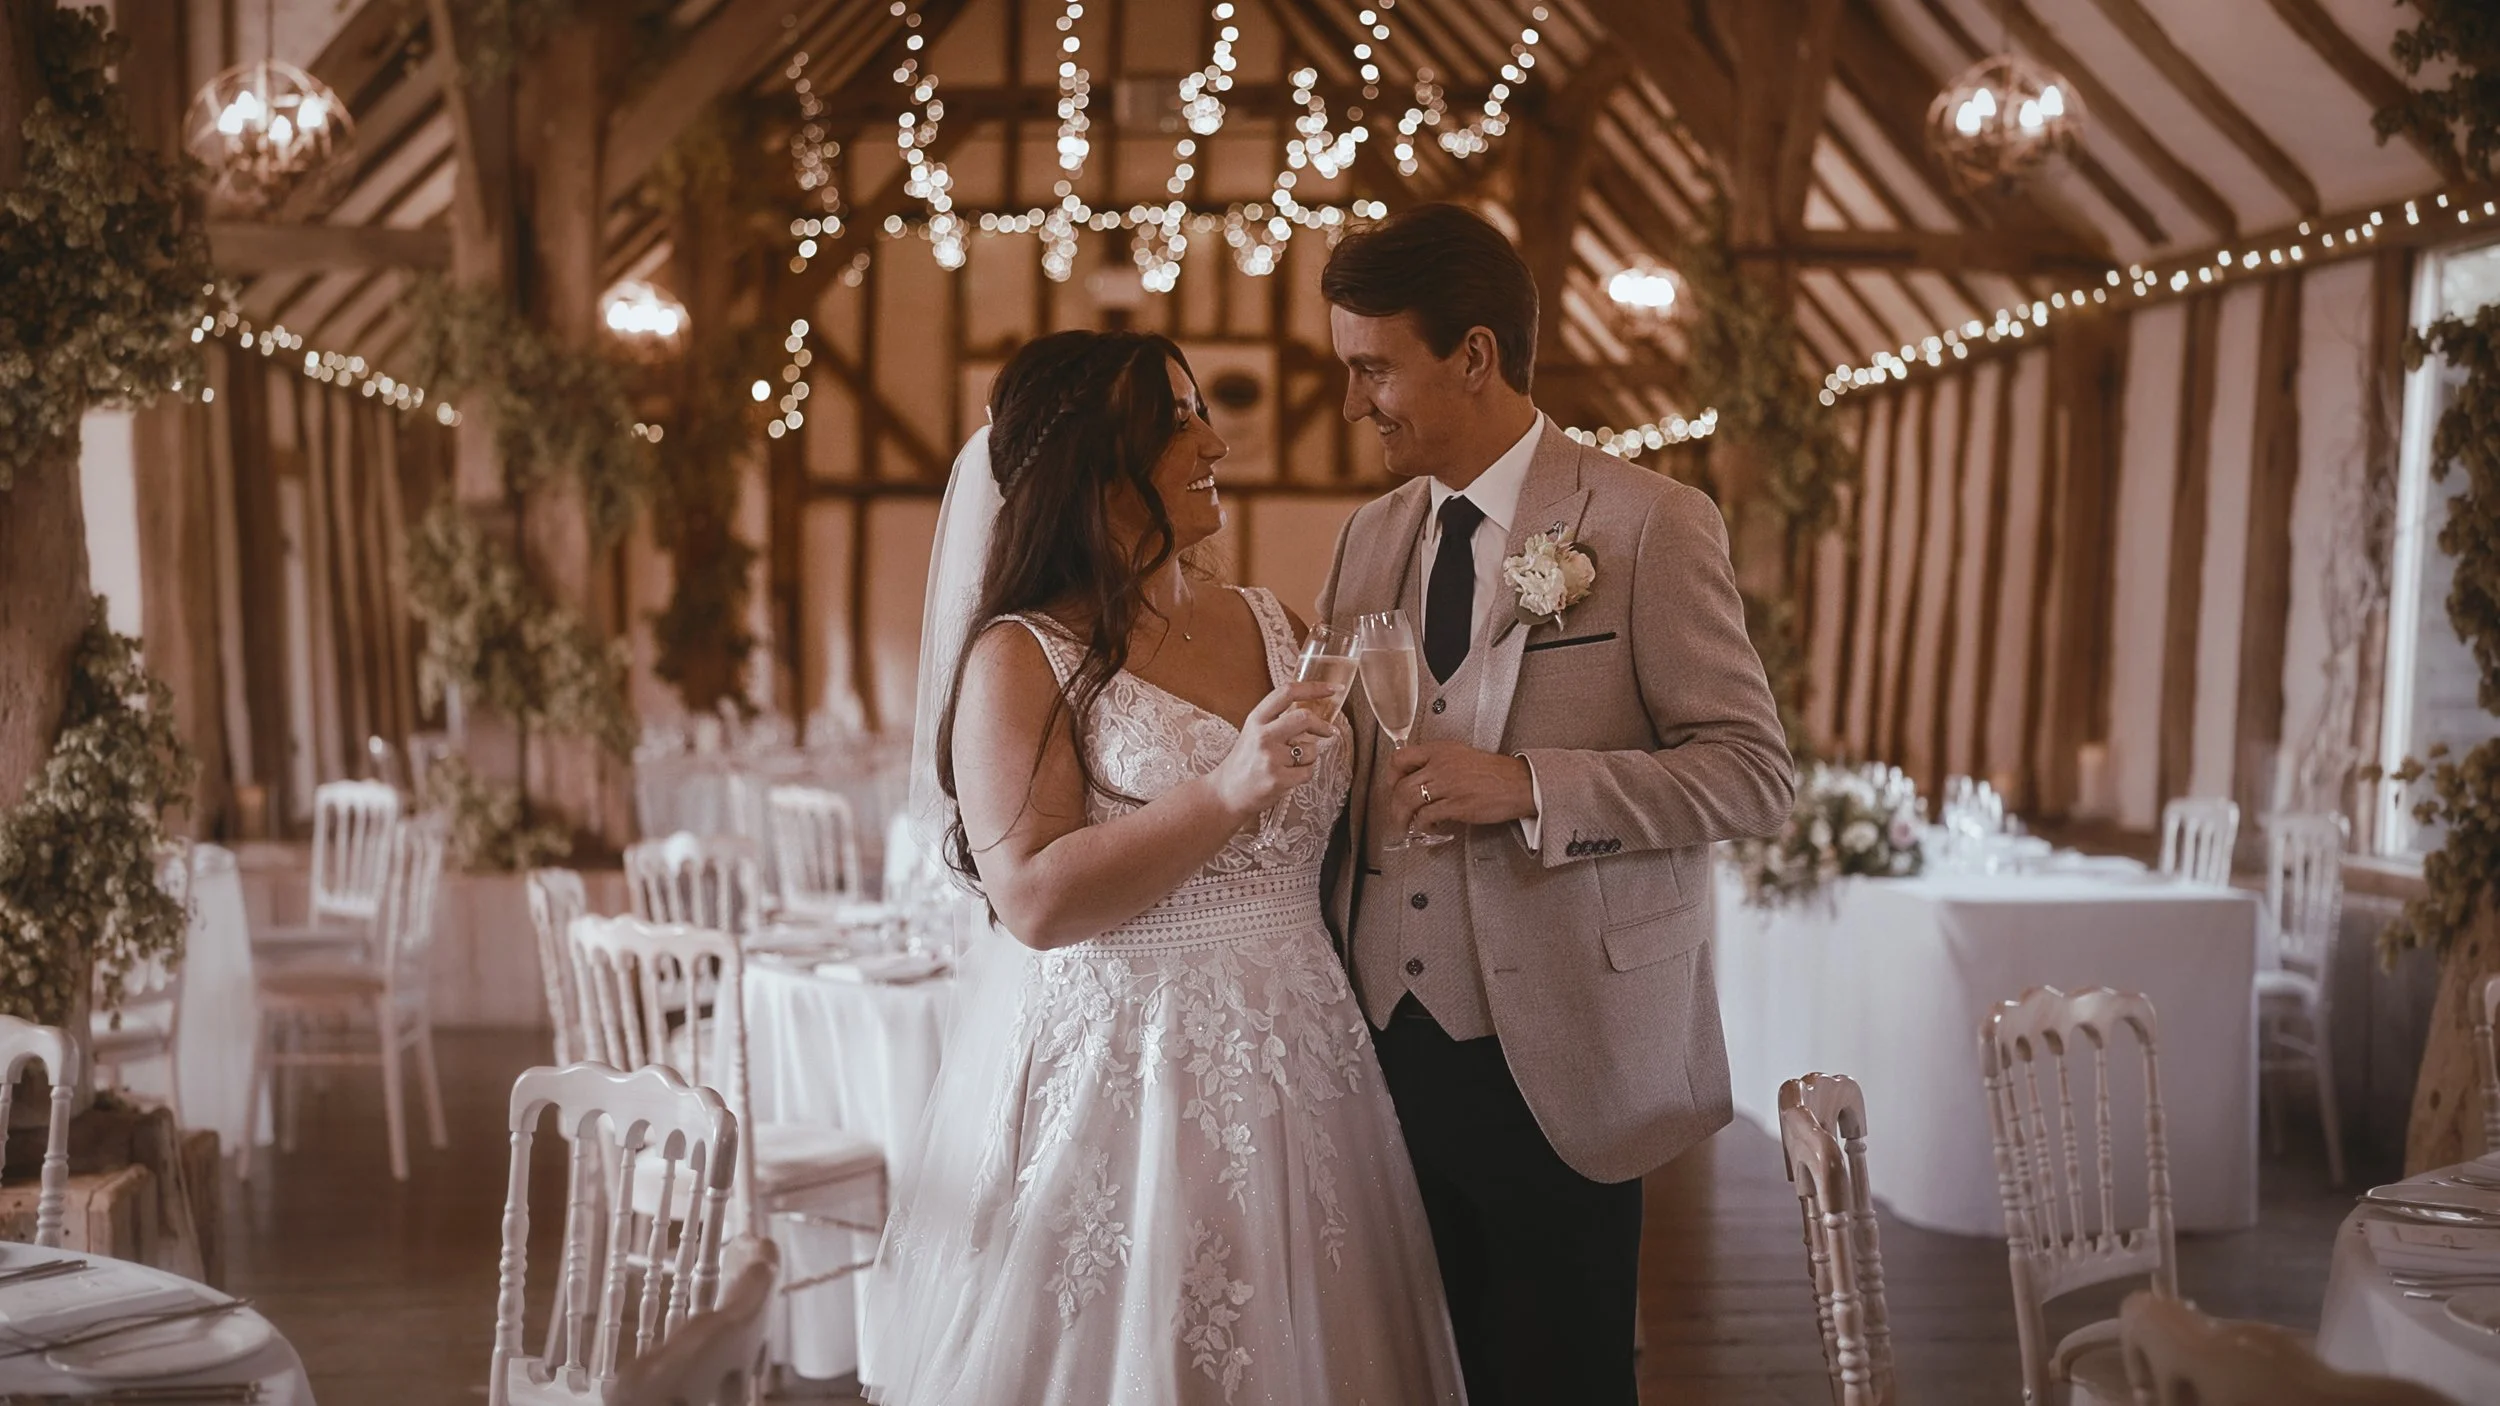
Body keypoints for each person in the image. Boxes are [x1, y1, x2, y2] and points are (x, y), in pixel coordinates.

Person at [863, 329, 1465, 1405]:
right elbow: (1036, 898)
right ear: (1096, 464)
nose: (1214, 440)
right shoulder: (1020, 654)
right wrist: (1225, 787)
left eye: (1199, 413)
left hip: (1310, 1064)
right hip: (1128, 1074)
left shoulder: (1279, 626)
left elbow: (1329, 834)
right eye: (1176, 421)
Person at [1313, 202, 1795, 1405]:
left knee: (1559, 1377)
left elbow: (1750, 770)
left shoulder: (1647, 523)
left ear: (1472, 356)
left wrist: (1529, 784)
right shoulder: (1367, 538)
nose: (1353, 398)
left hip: (1563, 1051)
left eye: (1373, 367)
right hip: (1380, 1040)